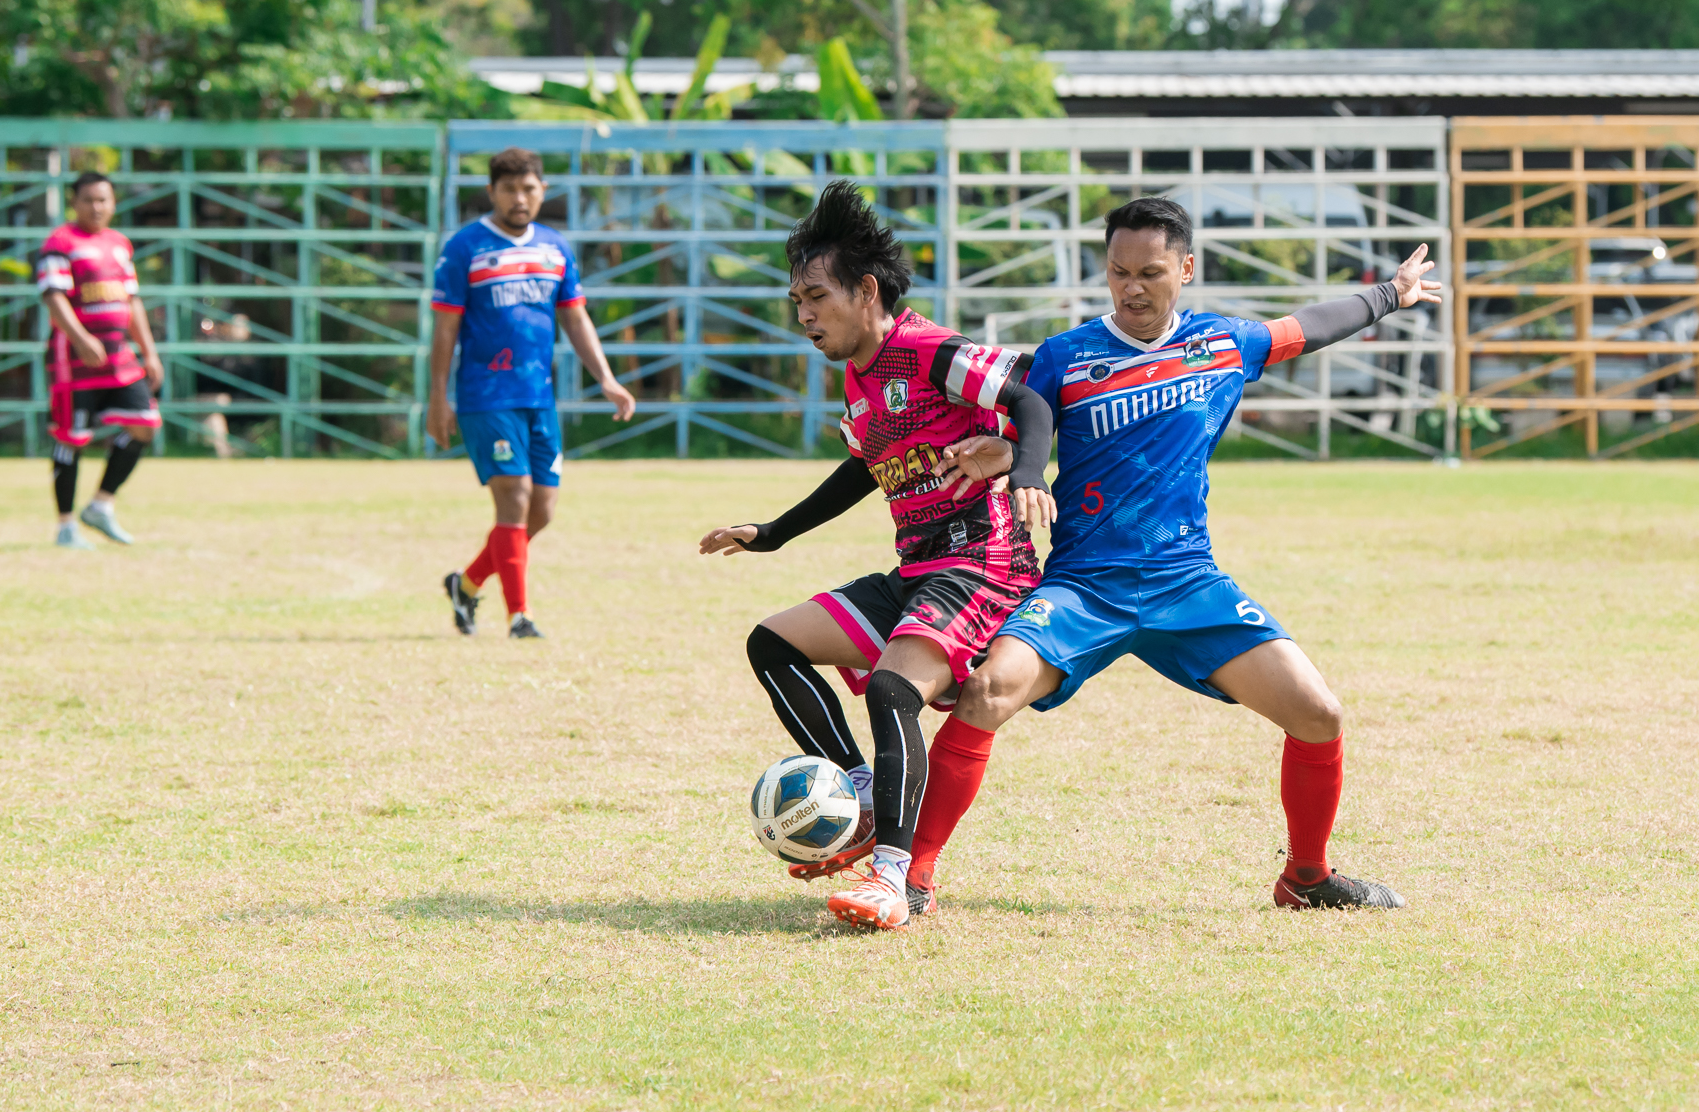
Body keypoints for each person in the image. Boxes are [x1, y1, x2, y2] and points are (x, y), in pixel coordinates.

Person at [908, 196, 1439, 912]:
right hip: (1084, 586)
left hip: (1187, 582)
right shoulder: (1065, 355)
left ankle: (1306, 877)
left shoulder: (1225, 344)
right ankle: (910, 877)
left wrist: (1389, 295)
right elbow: (1031, 431)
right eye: (1119, 271)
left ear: (1186, 268)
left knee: (1319, 713)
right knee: (985, 693)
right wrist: (1004, 454)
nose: (1133, 287)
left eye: (1151, 272)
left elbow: (1309, 328)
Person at [696, 181, 1056, 931]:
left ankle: (892, 875)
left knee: (892, 690)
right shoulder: (860, 379)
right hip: (919, 570)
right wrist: (773, 532)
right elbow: (862, 469)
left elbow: (1030, 401)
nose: (803, 316)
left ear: (866, 291)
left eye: (816, 297)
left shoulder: (927, 350)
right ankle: (863, 791)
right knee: (773, 642)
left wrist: (1022, 472)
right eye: (796, 301)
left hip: (982, 561)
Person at [429, 147, 636, 639]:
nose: (519, 198)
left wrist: (605, 377)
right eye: (509, 189)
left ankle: (468, 583)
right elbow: (444, 330)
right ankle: (519, 617)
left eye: (529, 188)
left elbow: (575, 316)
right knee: (515, 498)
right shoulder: (465, 248)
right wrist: (439, 397)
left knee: (541, 509)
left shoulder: (555, 248)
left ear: (543, 191)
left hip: (538, 397)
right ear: (492, 191)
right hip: (485, 395)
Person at [37, 171, 163, 547]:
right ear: (74, 202)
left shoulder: (119, 244)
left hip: (120, 358)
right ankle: (65, 526)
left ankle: (101, 506)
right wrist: (80, 338)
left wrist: (150, 352)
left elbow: (132, 301)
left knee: (145, 424)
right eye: (89, 199)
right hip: (73, 361)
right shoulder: (60, 243)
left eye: (103, 199)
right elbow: (54, 296)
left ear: (113, 203)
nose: (97, 207)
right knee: (71, 438)